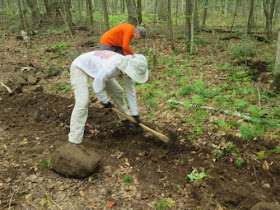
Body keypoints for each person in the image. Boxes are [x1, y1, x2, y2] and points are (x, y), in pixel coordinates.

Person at [68, 50, 149, 144]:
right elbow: (97, 86)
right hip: (80, 67)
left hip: (98, 70)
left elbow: (130, 90)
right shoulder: (110, 68)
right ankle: (74, 140)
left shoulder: (127, 66)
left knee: (118, 92)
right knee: (82, 102)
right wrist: (105, 101)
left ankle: (125, 120)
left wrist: (135, 113)